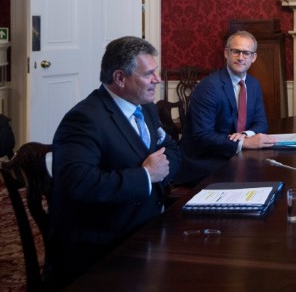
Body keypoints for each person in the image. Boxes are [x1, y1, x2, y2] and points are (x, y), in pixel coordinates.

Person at [49, 36, 181, 288]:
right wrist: (145, 176)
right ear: (120, 78)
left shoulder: (147, 107)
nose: (157, 80)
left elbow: (171, 149)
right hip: (106, 243)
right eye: (149, 74)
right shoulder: (84, 119)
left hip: (150, 224)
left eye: (157, 72)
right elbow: (77, 183)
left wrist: (160, 172)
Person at [177, 30, 275, 185]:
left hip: (232, 156)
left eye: (246, 53)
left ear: (253, 57)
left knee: (271, 173)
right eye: (236, 51)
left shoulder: (253, 84)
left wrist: (244, 135)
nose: (241, 57)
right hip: (206, 163)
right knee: (259, 176)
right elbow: (203, 136)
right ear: (226, 53)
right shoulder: (209, 87)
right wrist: (244, 143)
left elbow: (261, 123)